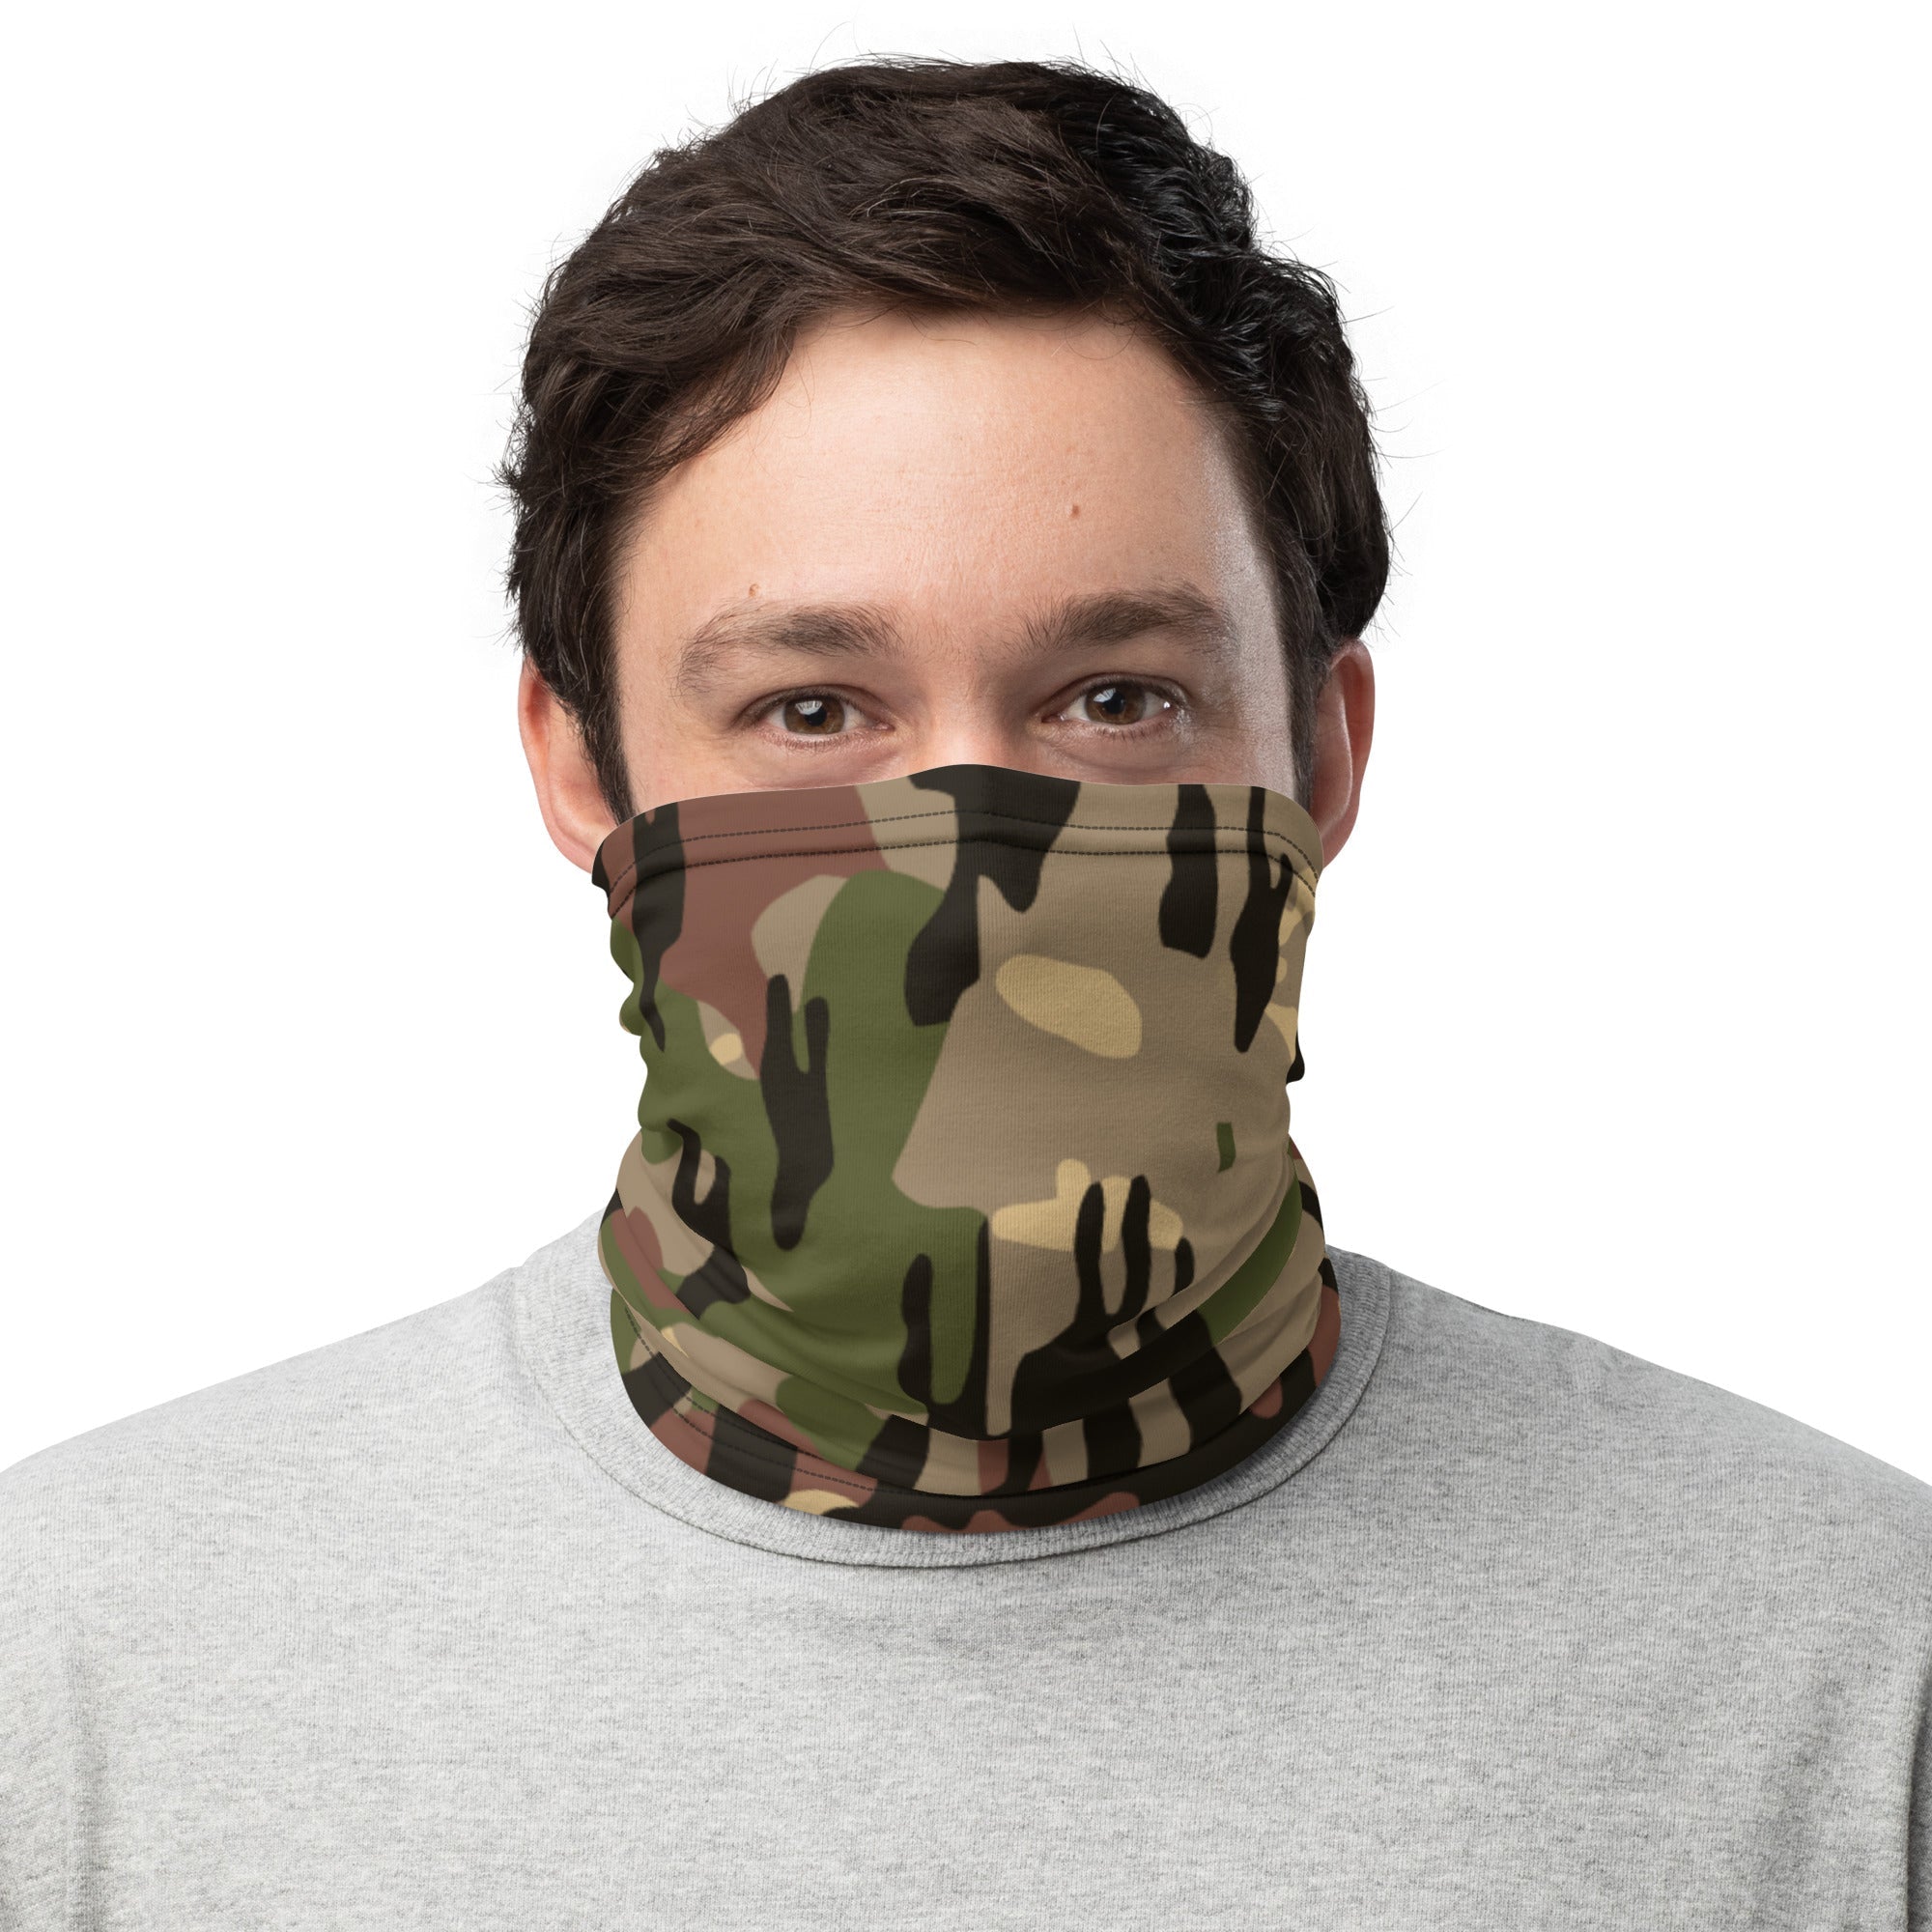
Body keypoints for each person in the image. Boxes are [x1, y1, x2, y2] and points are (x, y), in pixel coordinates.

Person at [3, 54, 1926, 1927]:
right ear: (581, 766)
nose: (967, 858)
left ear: (1324, 756)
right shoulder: (81, 1671)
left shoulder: (1844, 1672)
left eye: (1115, 698)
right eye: (810, 708)